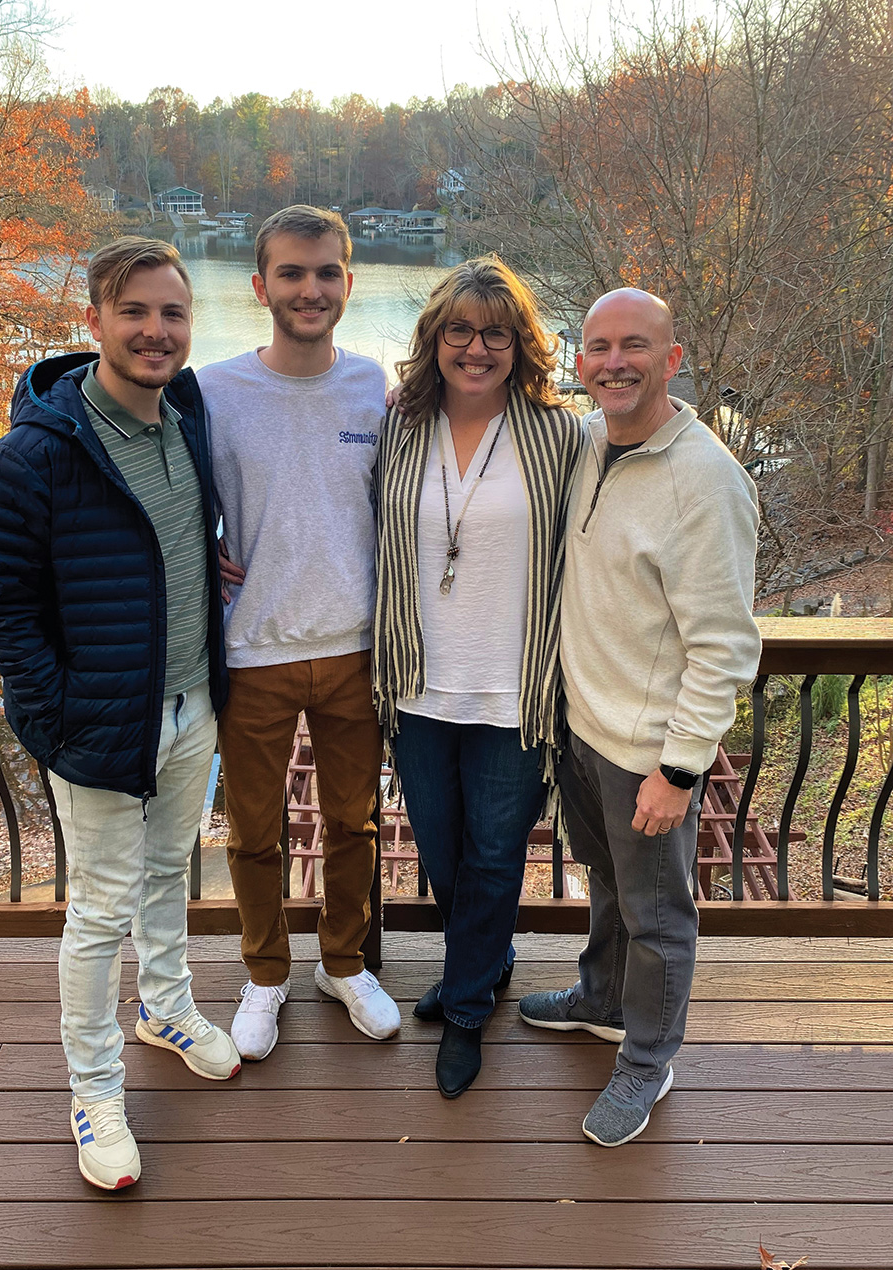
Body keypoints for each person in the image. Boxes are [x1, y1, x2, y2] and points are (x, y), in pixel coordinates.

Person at [0, 237, 240, 1192]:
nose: (155, 331)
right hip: (98, 725)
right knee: (96, 913)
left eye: (171, 313)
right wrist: (59, 718)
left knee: (171, 870)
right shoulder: (37, 454)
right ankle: (93, 1090)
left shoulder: (189, 417)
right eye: (134, 312)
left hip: (192, 702)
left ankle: (165, 1005)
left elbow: (180, 541)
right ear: (92, 323)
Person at [517, 287, 761, 1146]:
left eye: (634, 346)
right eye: (597, 347)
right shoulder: (589, 442)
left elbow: (726, 645)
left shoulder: (705, 481)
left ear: (673, 358)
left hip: (648, 753)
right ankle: (600, 998)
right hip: (582, 730)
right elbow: (516, 418)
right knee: (609, 886)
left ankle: (647, 1060)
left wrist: (680, 768)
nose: (613, 362)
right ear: (579, 360)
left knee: (659, 916)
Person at [372, 256, 583, 1097]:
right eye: (459, 329)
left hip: (513, 687)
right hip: (418, 683)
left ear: (520, 344)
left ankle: (465, 1012)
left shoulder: (562, 435)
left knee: (496, 858)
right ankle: (485, 968)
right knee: (444, 852)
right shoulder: (397, 425)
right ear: (435, 339)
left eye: (496, 332)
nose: (476, 347)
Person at [197, 205, 400, 1060]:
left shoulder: (374, 387)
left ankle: (344, 964)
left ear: (348, 285)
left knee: (354, 826)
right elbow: (166, 496)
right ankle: (267, 976)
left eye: (325, 274)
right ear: (261, 287)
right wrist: (196, 554)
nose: (309, 289)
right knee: (253, 832)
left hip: (355, 648)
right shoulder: (210, 391)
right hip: (256, 651)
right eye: (291, 273)